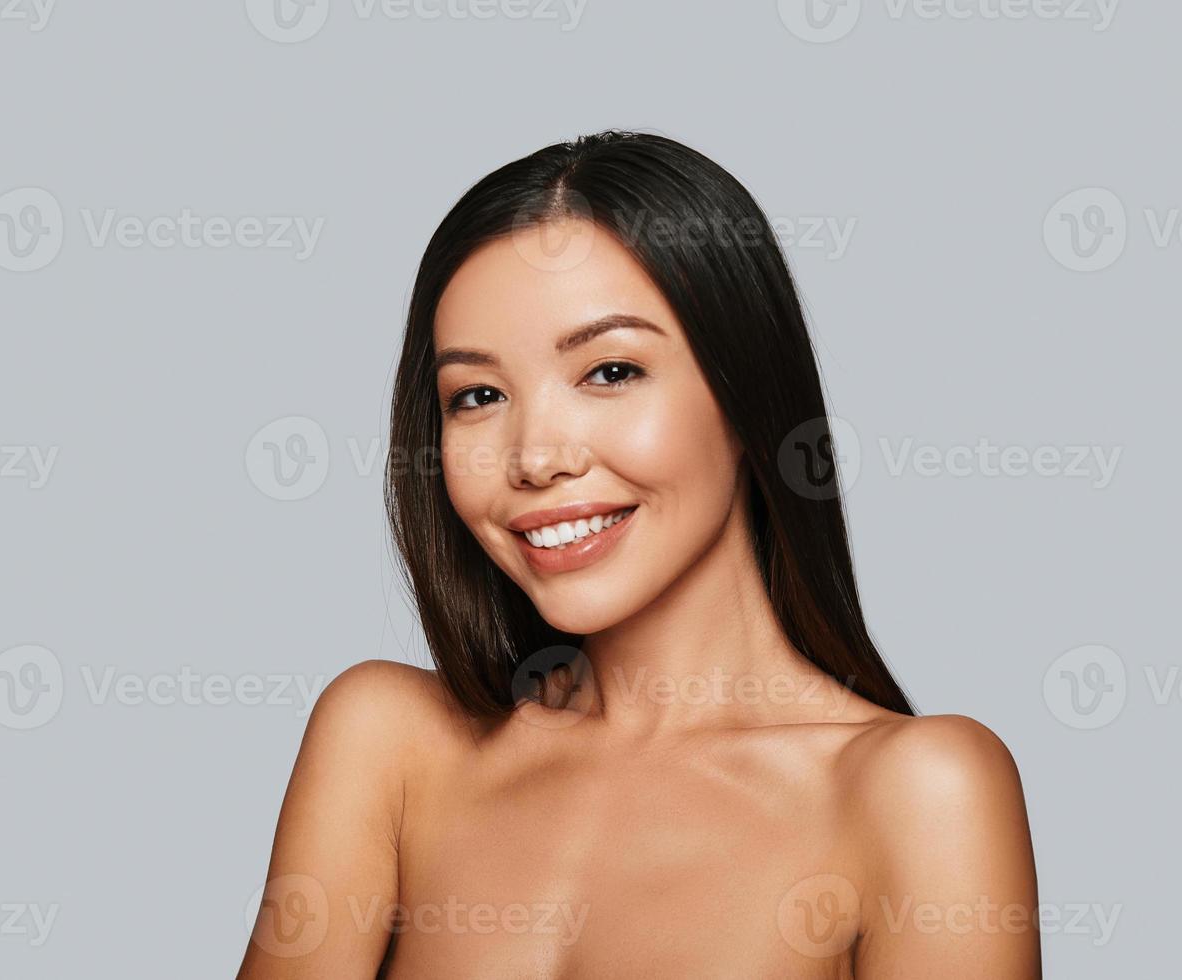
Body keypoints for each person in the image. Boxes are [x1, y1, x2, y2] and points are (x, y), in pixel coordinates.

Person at [237, 130, 1040, 979]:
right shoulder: (390, 746)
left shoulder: (915, 793)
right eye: (477, 395)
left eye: (610, 372)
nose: (536, 457)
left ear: (744, 397)